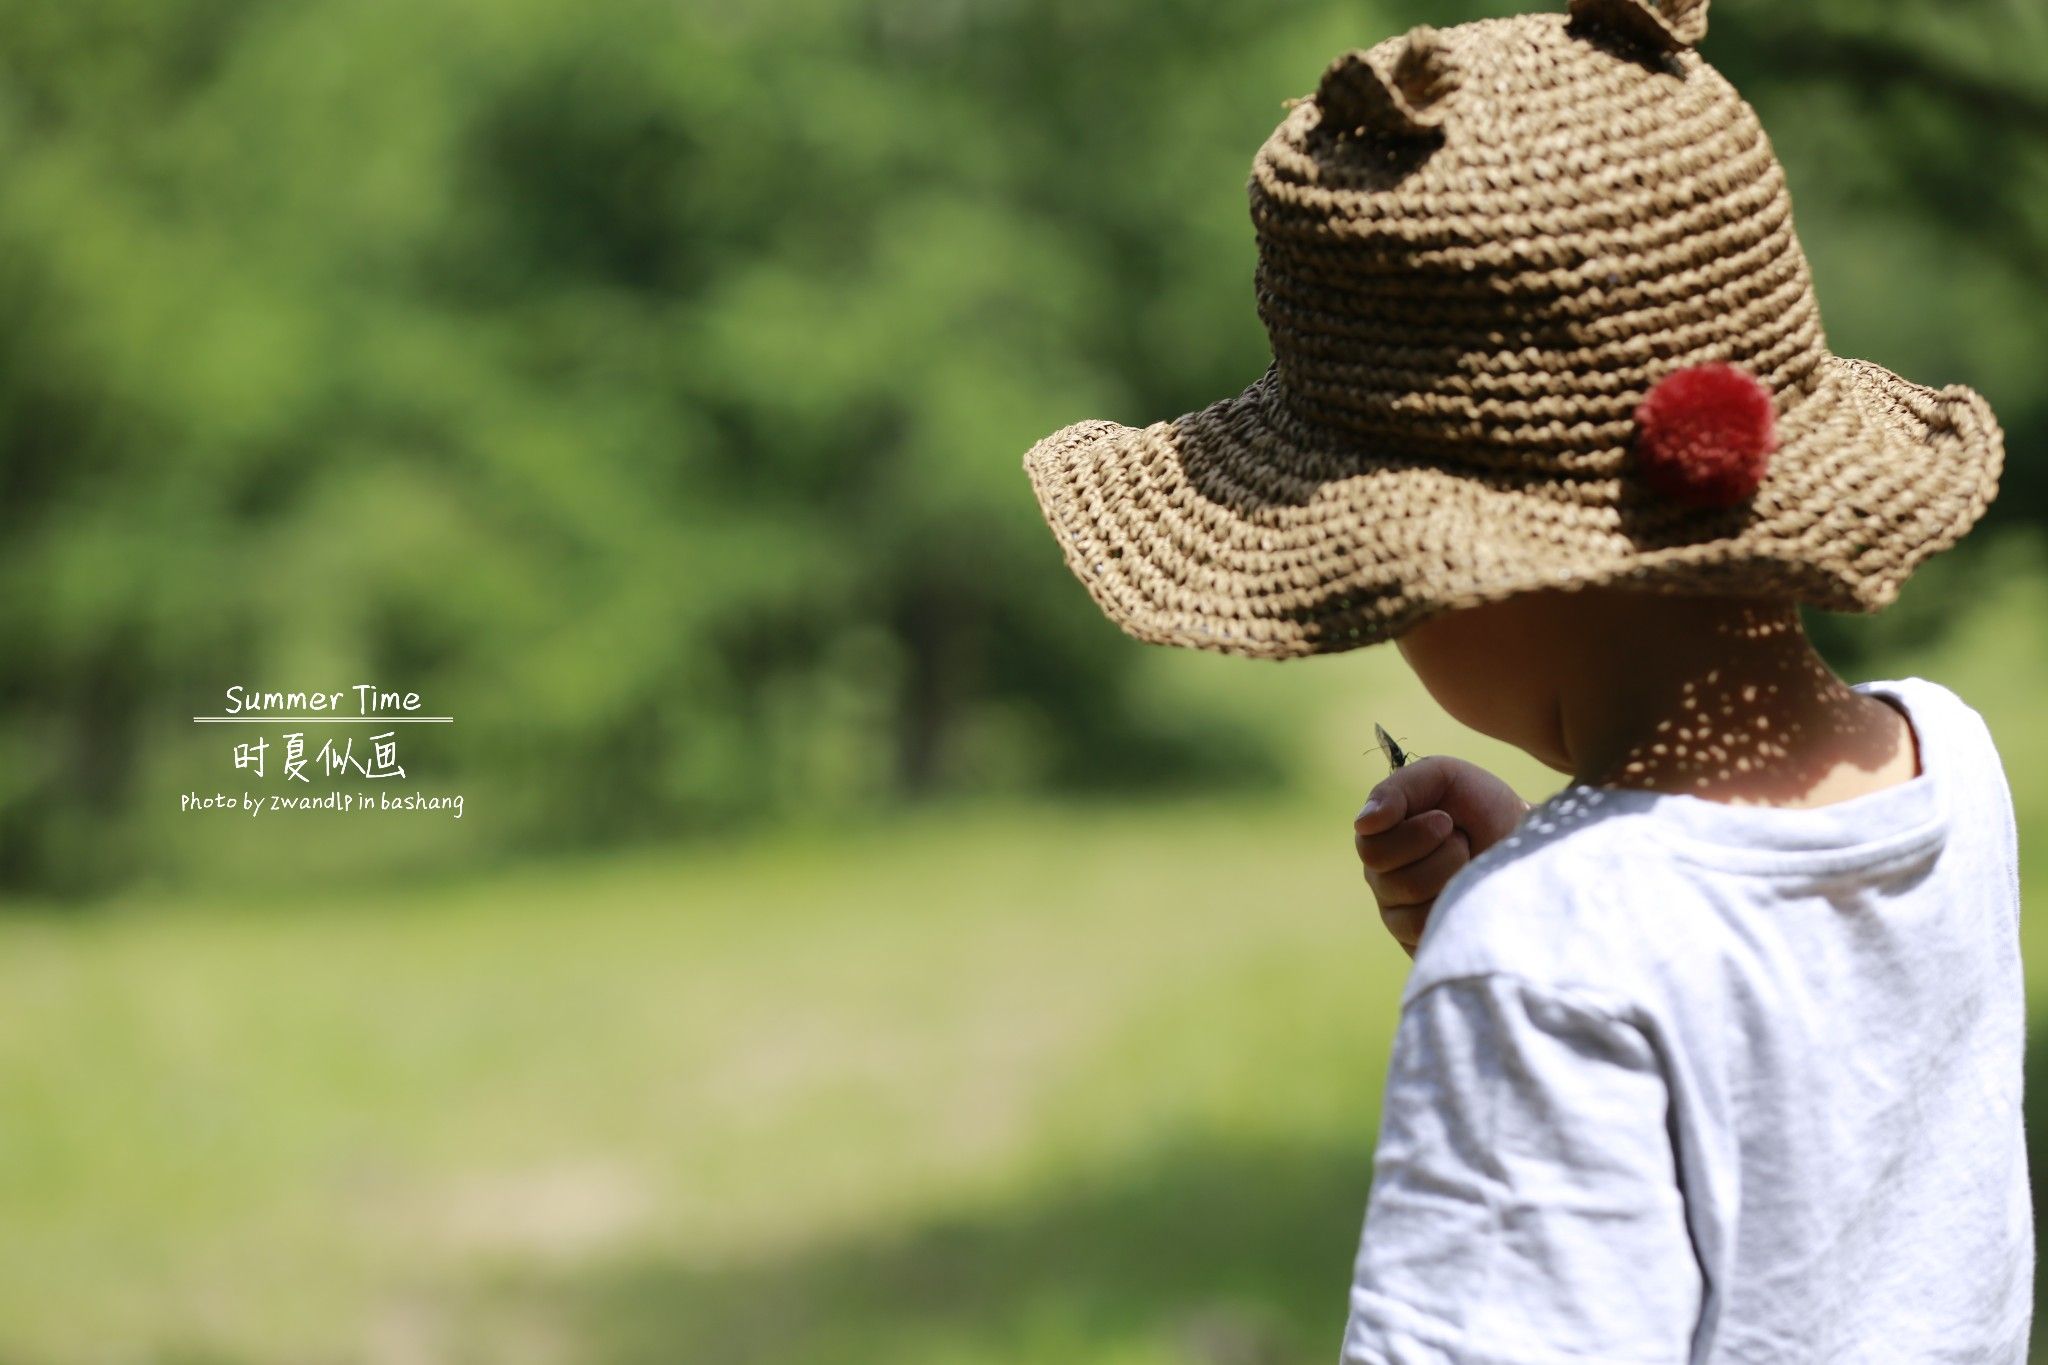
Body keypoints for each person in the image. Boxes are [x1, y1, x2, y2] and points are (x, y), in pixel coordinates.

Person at [1018, 0, 2029, 1359]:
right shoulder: (1949, 766)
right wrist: (1556, 879)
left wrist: (1539, 937)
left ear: (1473, 561)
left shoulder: (1549, 956)